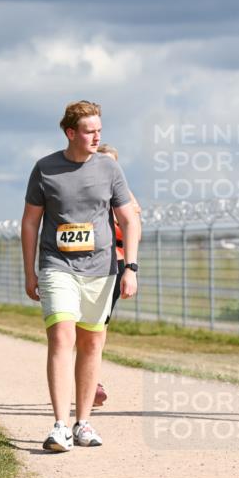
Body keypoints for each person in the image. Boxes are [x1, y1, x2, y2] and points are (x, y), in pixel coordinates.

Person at [22, 101, 140, 452]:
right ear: (71, 133)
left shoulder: (109, 169)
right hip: (57, 265)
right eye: (89, 131)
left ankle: (83, 423)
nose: (96, 136)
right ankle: (60, 425)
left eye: (99, 130)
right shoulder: (45, 169)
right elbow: (30, 222)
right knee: (61, 338)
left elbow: (130, 219)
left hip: (102, 269)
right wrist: (30, 270)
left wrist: (130, 268)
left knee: (91, 344)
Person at [92, 143, 143, 407]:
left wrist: (131, 270)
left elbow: (135, 232)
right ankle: (87, 379)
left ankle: (92, 381)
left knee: (99, 325)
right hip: (86, 264)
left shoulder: (126, 198)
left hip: (116, 262)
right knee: (82, 326)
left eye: (113, 162)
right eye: (103, 160)